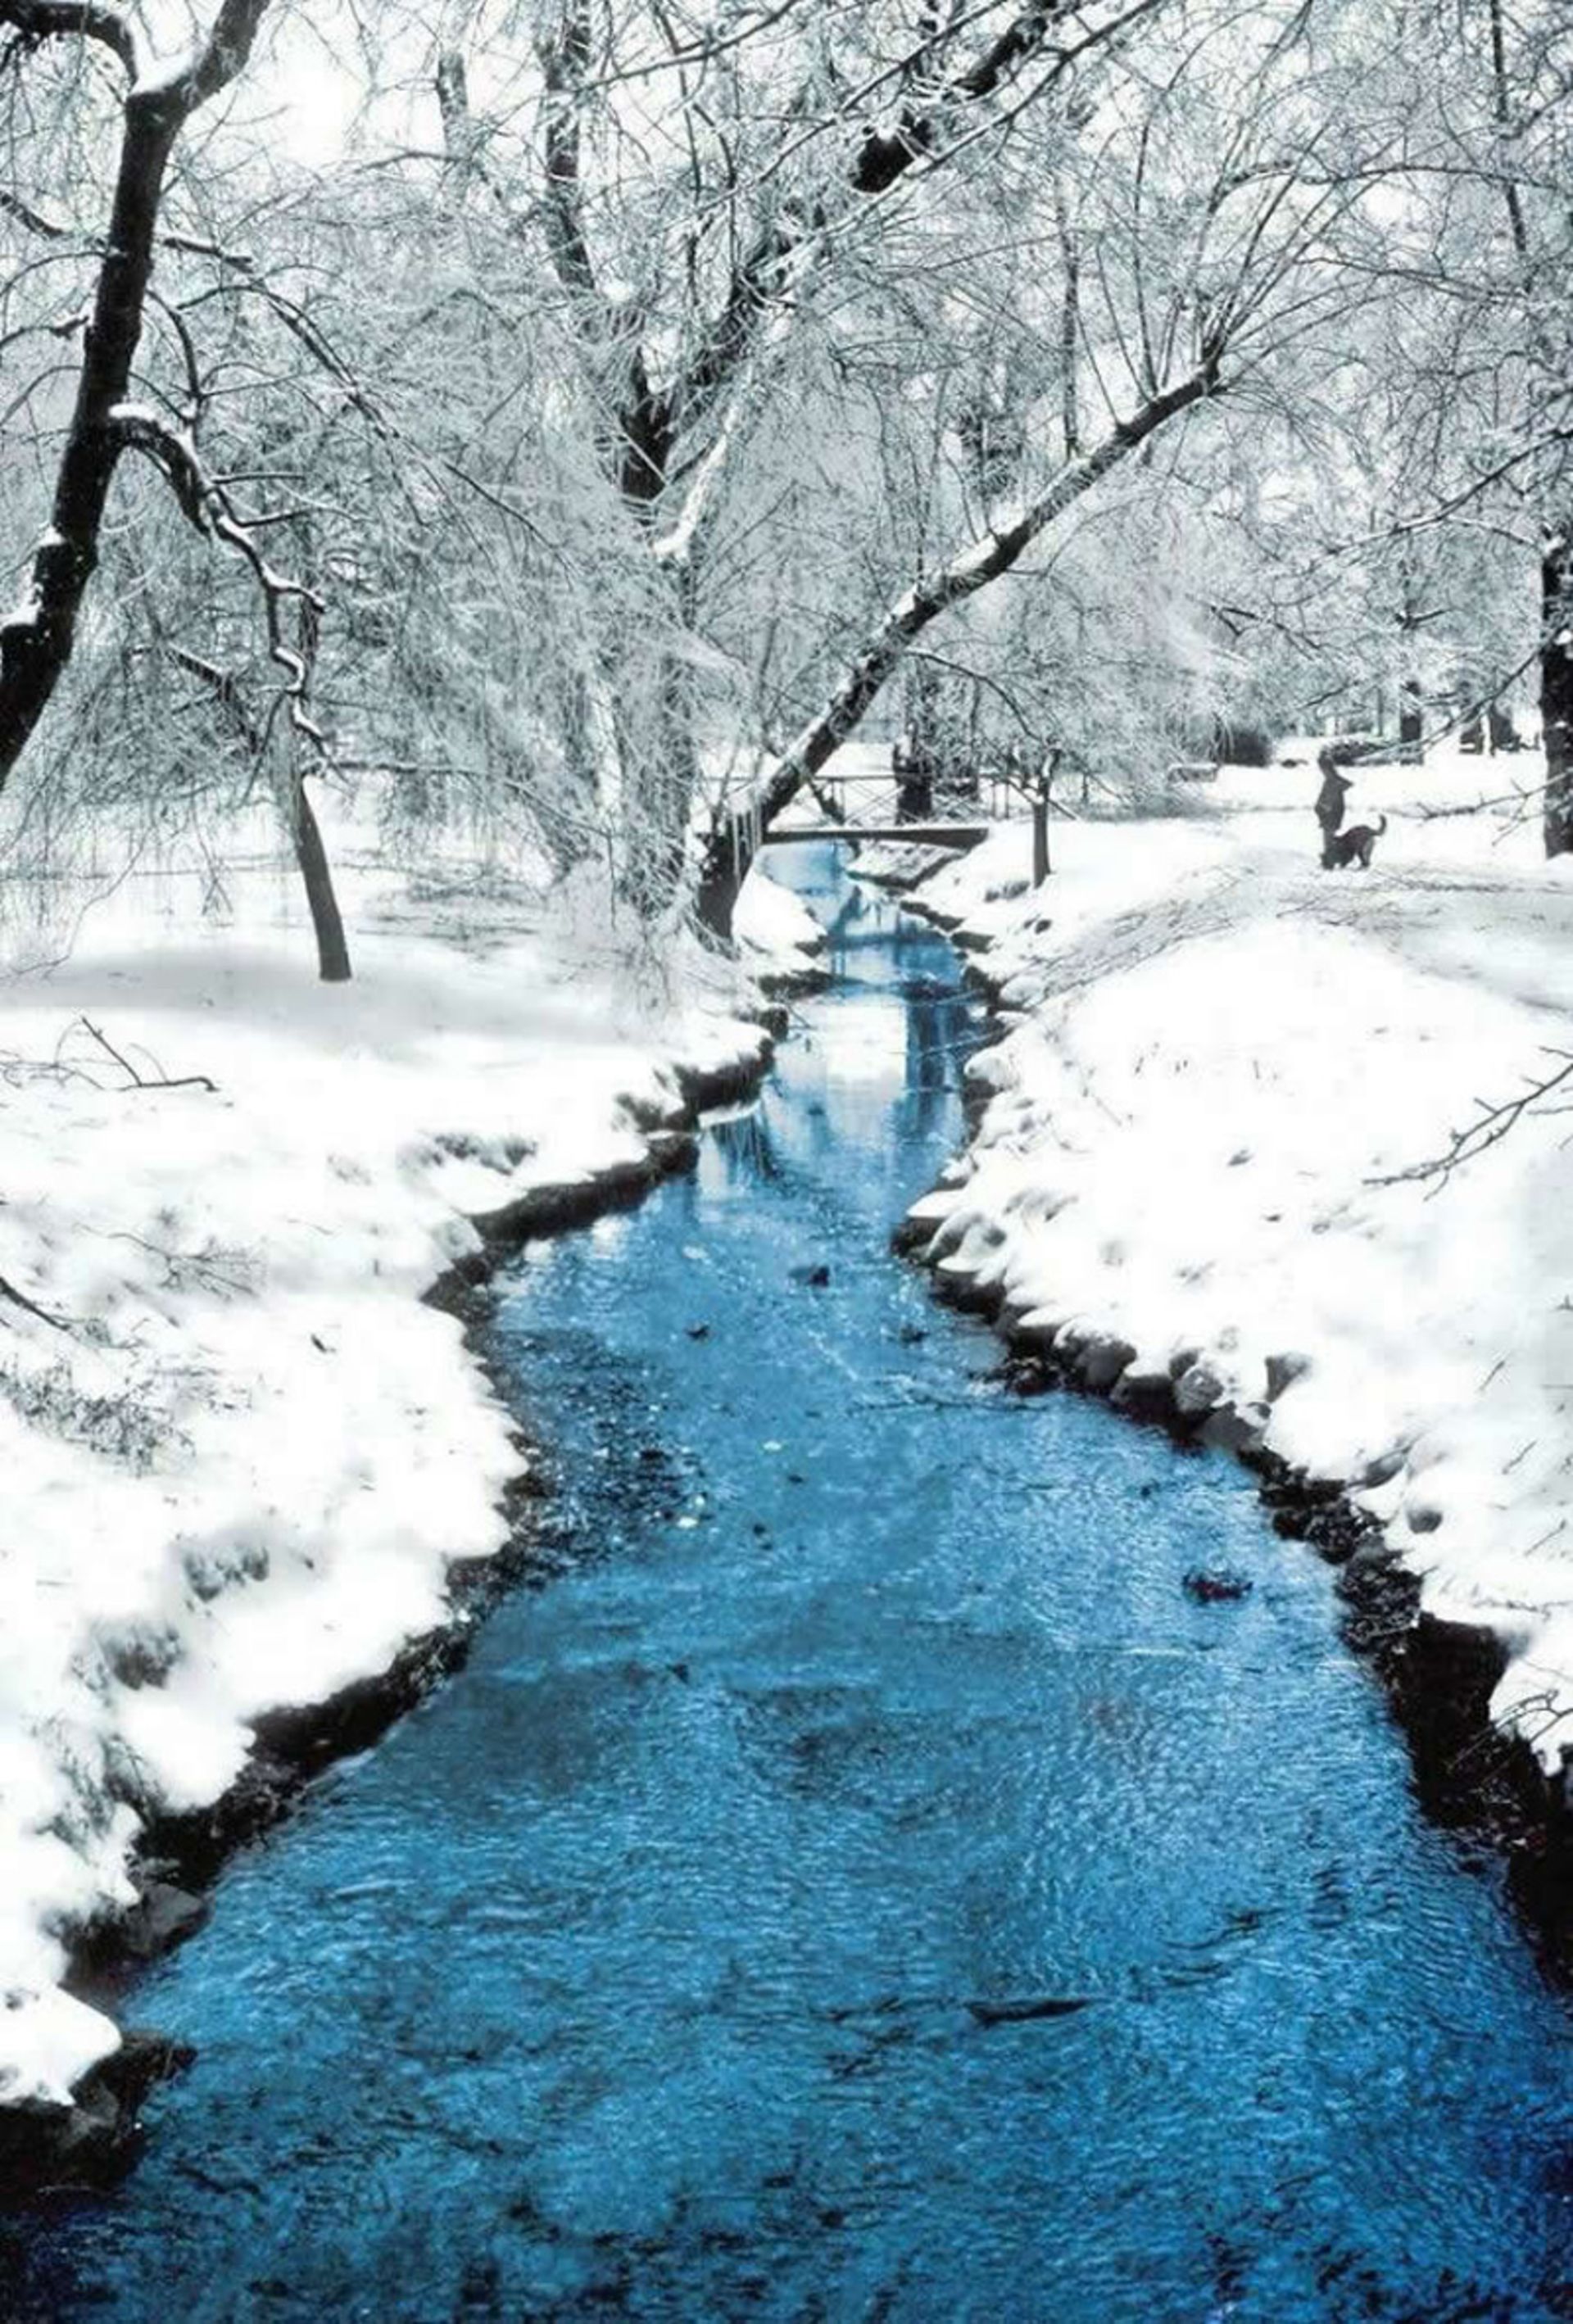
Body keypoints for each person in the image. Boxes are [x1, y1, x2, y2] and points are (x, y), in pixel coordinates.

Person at [1314, 752, 1352, 863]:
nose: (1322, 771)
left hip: (1332, 813)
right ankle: (1329, 857)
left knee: (1329, 836)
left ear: (1328, 768)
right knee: (1328, 836)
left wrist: (1323, 805)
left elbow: (1347, 785)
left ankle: (1330, 858)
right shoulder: (1331, 780)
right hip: (1328, 813)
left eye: (1323, 768)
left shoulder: (1333, 781)